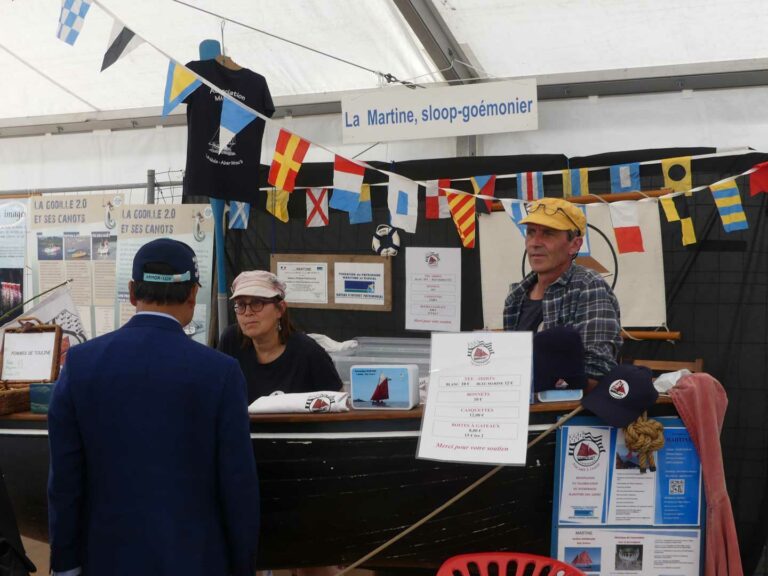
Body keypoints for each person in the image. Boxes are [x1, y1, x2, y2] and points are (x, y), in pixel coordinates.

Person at [48, 238, 259, 576]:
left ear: (132, 292)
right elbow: (238, 485)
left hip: (104, 559)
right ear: (193, 295)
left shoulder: (80, 364)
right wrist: (244, 564)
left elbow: (64, 482)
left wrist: (65, 565)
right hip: (197, 560)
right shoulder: (220, 373)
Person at [503, 197, 622, 382]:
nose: (535, 242)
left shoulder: (588, 286)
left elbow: (598, 369)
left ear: (575, 244)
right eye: (531, 232)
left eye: (548, 233)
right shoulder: (515, 296)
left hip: (564, 408)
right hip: (518, 404)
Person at [218, 270, 343, 404]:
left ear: (280, 309)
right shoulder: (231, 341)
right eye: (241, 305)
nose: (248, 312)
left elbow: (337, 403)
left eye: (257, 303)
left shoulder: (309, 352)